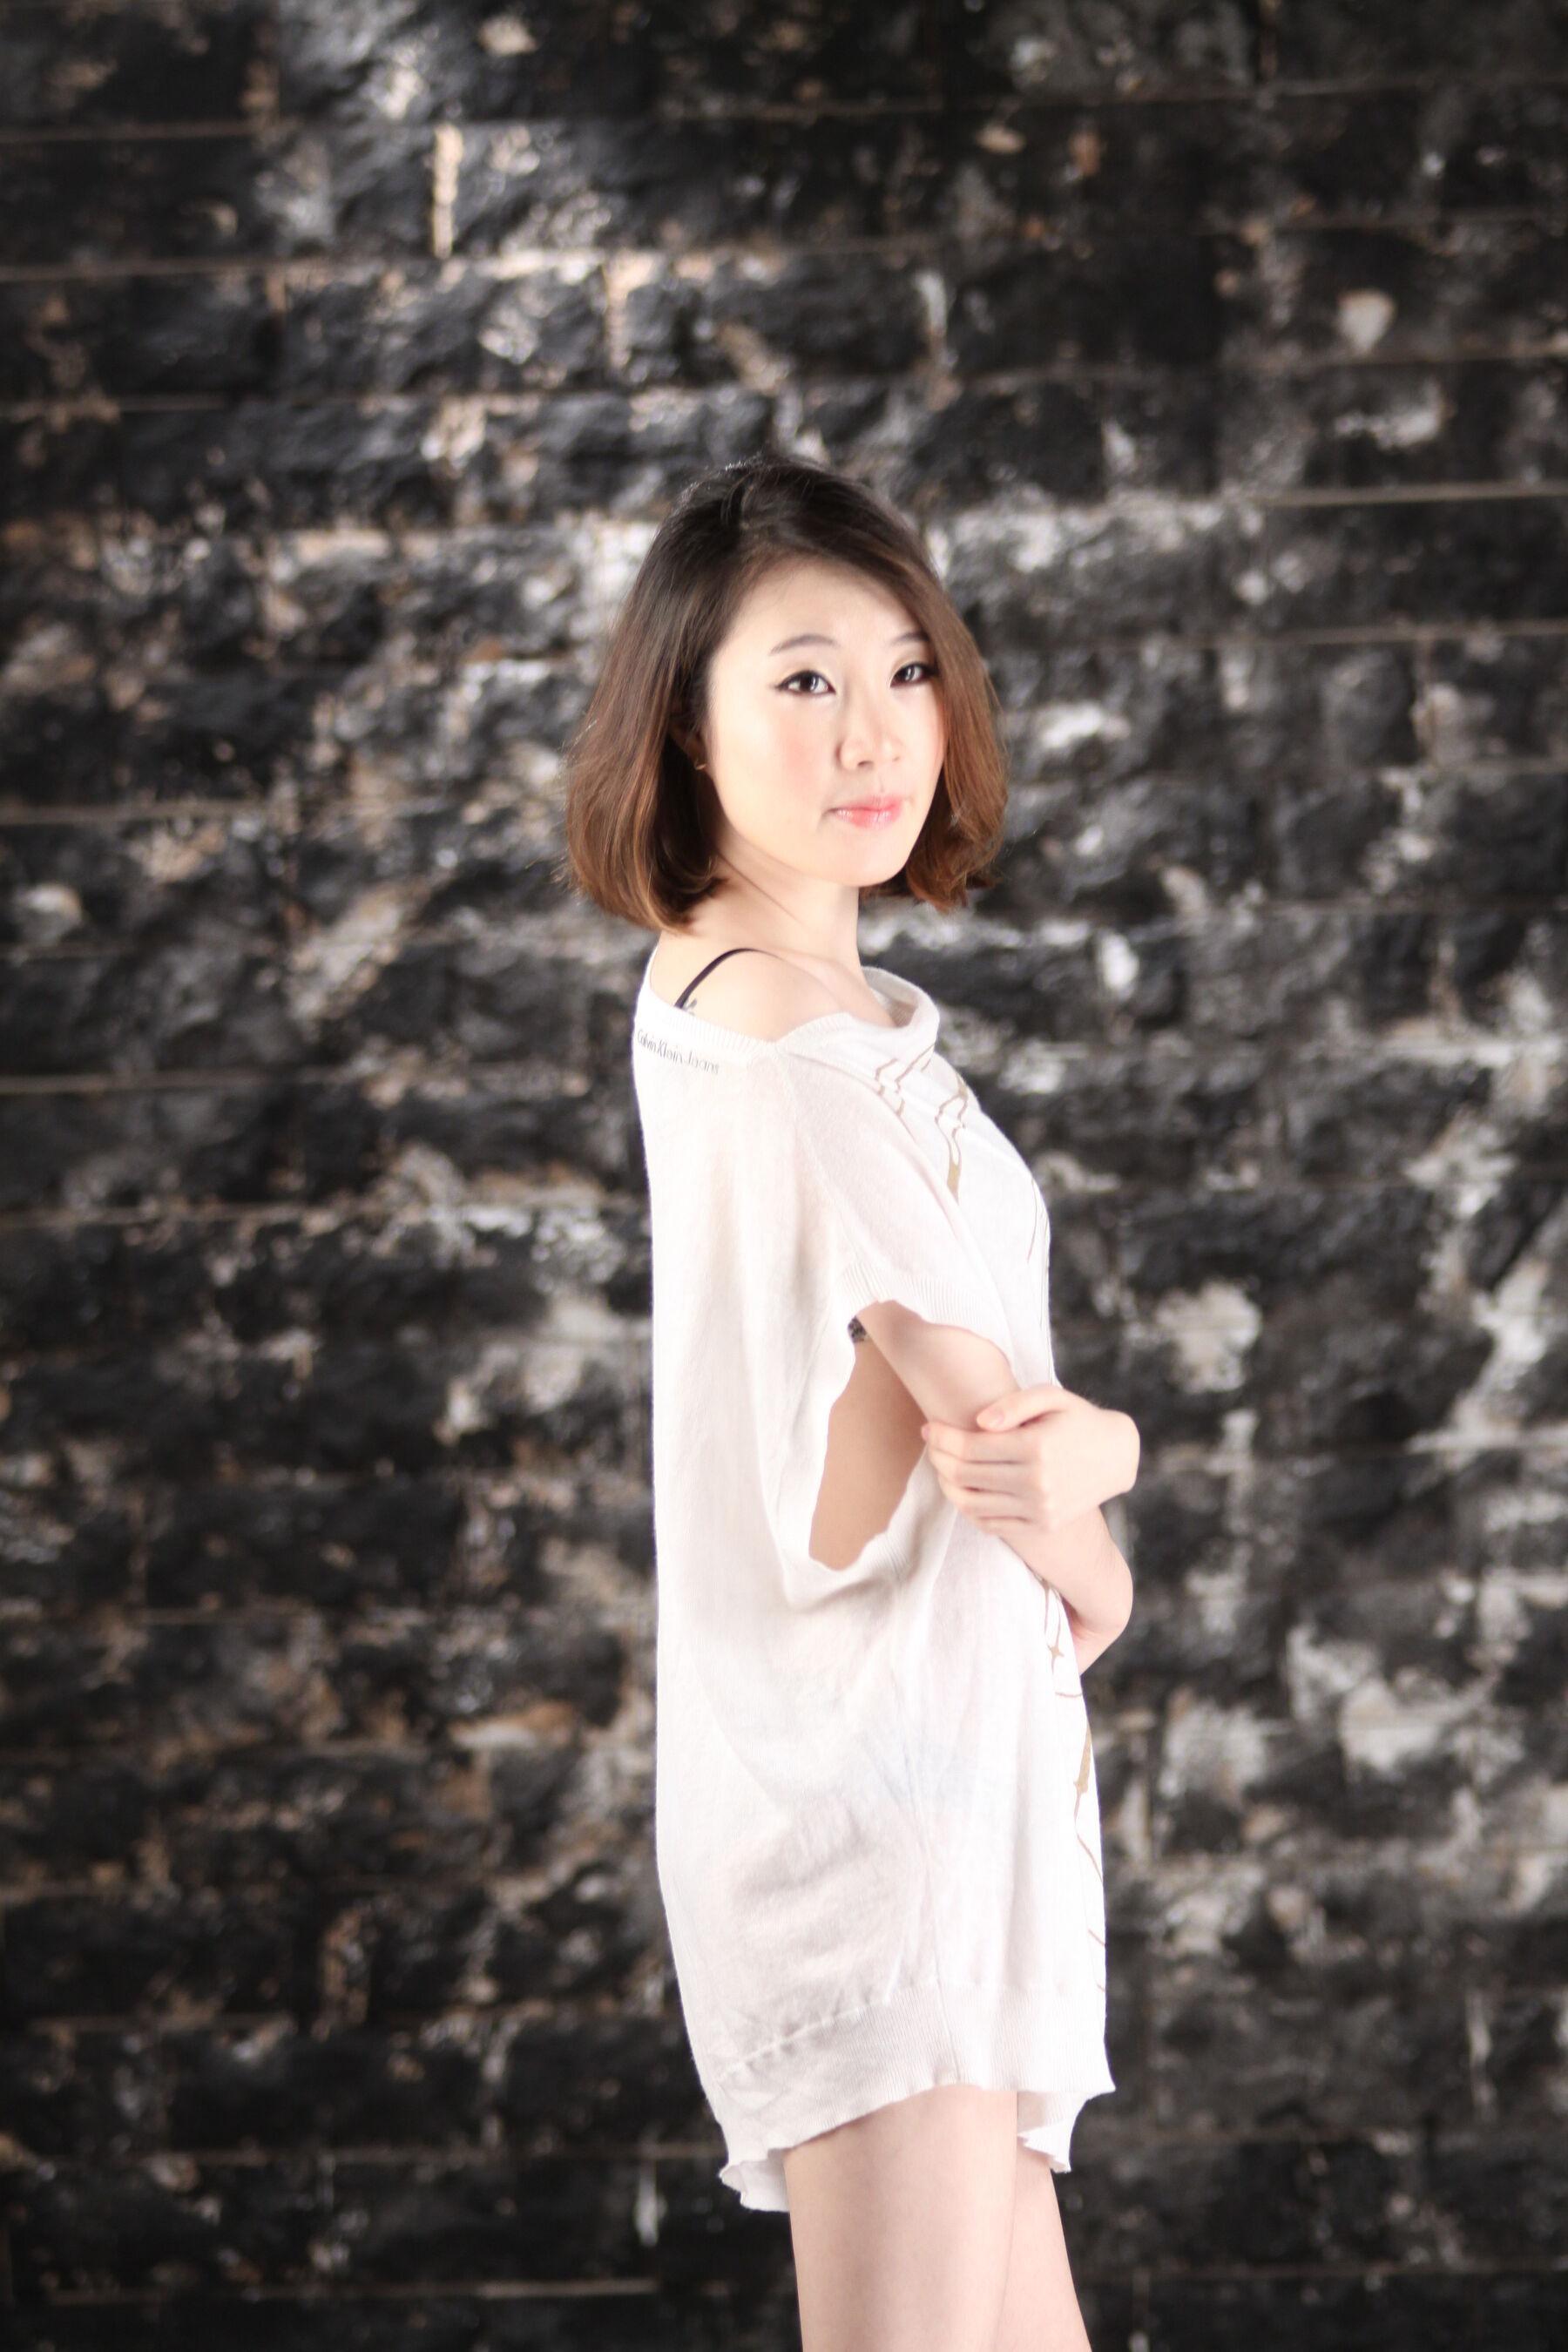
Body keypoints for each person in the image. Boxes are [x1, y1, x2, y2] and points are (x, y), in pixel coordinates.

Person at [558, 454, 1139, 2352]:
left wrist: (1069, 1472)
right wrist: (1112, 1487)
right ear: (688, 724)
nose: (874, 732)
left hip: (900, 1786)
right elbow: (1000, 1439)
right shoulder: (792, 1038)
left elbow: (920, 1407)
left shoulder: (786, 1003)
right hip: (880, 1813)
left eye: (905, 671)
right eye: (803, 680)